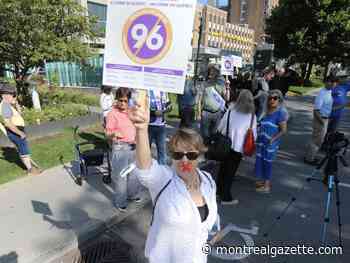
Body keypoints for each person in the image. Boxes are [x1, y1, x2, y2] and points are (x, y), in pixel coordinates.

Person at [129, 98, 218, 263]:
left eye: (191, 155)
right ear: (171, 156)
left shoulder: (208, 181)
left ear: (200, 155)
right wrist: (141, 130)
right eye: (178, 155)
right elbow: (145, 170)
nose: (184, 160)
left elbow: (207, 225)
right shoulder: (164, 179)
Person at [216, 90, 257, 204]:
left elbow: (220, 128)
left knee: (223, 168)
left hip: (225, 145)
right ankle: (225, 197)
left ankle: (218, 191)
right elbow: (254, 135)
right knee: (230, 172)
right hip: (238, 149)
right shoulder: (252, 116)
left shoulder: (230, 111)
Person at [105, 87, 141, 212]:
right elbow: (107, 133)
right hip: (120, 147)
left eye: (126, 101)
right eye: (121, 100)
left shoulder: (131, 111)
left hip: (133, 146)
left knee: (134, 174)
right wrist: (114, 135)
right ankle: (120, 201)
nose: (123, 104)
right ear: (117, 99)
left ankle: (133, 195)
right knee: (121, 177)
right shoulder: (112, 114)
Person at [0, 83, 41, 175]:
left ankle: (30, 168)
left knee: (24, 149)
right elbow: (8, 123)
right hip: (15, 131)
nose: (14, 97)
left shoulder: (8, 105)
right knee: (23, 150)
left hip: (17, 130)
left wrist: (16, 106)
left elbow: (16, 117)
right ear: (4, 95)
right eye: (13, 95)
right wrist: (20, 133)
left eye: (14, 95)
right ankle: (30, 170)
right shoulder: (5, 106)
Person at [255, 89, 288, 193]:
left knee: (267, 163)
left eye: (275, 98)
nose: (272, 100)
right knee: (260, 161)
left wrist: (272, 139)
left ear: (279, 100)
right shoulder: (265, 111)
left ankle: (267, 186)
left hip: (270, 144)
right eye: (270, 98)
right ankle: (261, 180)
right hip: (261, 141)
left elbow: (283, 130)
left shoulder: (280, 113)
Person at [304, 76, 338, 165]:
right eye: (332, 82)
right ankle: (309, 159)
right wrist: (322, 123)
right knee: (317, 140)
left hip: (325, 118)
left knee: (318, 139)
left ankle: (310, 156)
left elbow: (329, 107)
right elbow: (316, 110)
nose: (334, 85)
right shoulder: (322, 93)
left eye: (335, 83)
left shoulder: (329, 92)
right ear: (327, 82)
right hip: (320, 119)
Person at [200, 64, 230, 143]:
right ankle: (206, 148)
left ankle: (211, 149)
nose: (212, 72)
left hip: (217, 113)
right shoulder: (205, 84)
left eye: (215, 71)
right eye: (211, 70)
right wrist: (198, 111)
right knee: (205, 134)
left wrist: (227, 87)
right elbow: (200, 99)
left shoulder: (221, 85)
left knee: (214, 134)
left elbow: (227, 98)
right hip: (206, 112)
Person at [148, 88, 172, 165]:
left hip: (161, 125)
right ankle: (146, 169)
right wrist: (154, 113)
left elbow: (168, 103)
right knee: (146, 149)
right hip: (149, 125)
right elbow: (142, 107)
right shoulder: (147, 91)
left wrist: (169, 107)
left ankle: (162, 170)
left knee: (162, 151)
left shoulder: (164, 91)